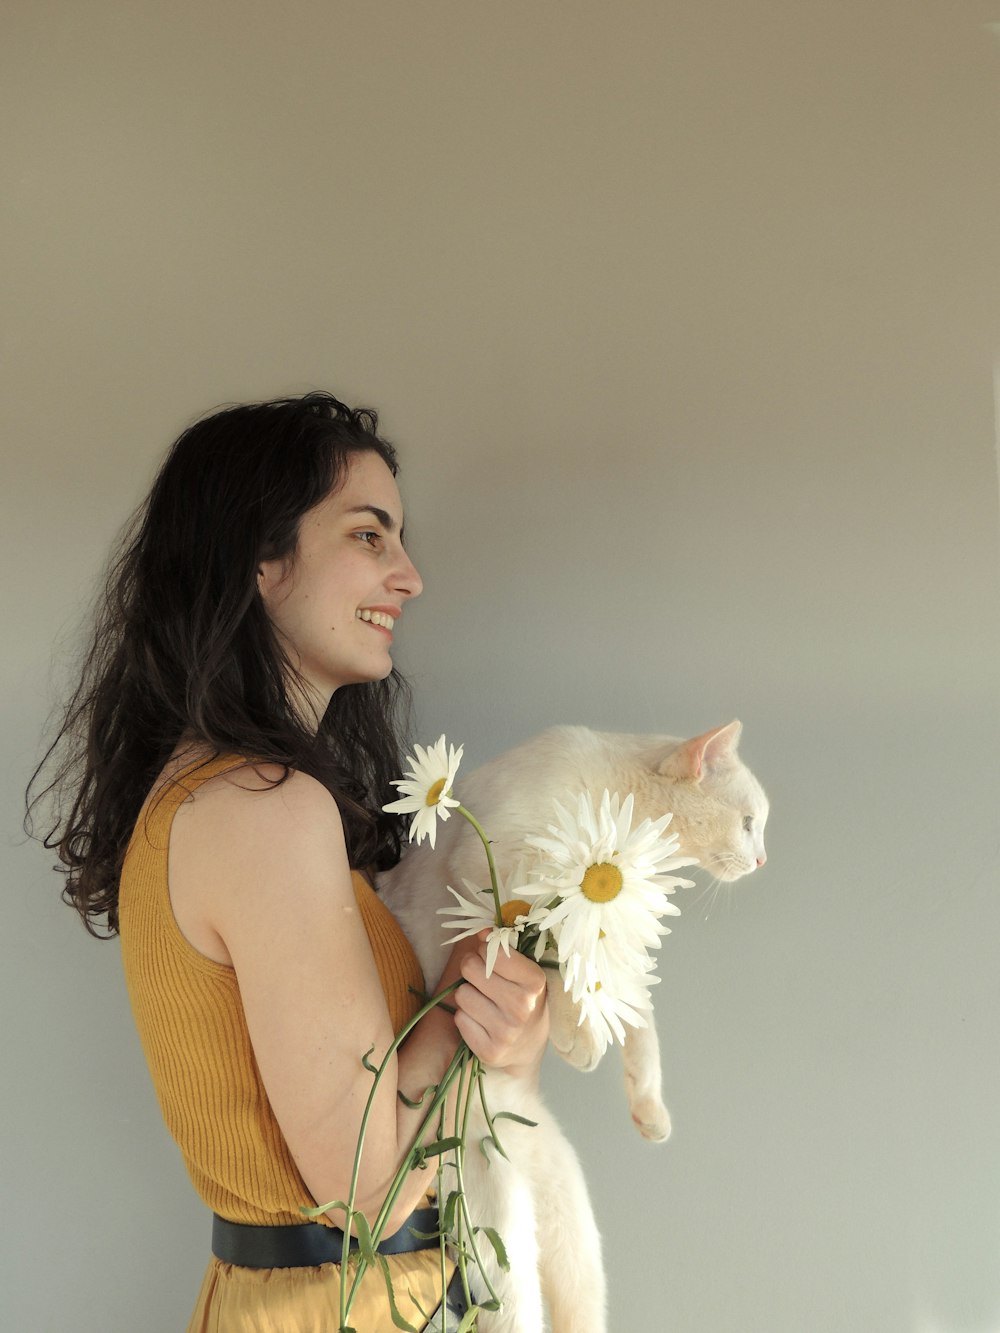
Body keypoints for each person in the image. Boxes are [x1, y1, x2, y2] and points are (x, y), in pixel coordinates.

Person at [29, 392, 549, 1331]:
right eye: (369, 536)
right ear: (262, 560)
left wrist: (493, 1038)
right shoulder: (265, 809)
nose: (410, 576)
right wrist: (460, 1016)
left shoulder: (208, 794)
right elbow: (370, 1195)